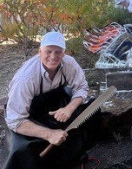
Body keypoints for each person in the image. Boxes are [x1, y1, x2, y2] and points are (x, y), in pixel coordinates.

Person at [4, 31, 100, 169]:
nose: (53, 57)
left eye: (58, 52)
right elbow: (15, 120)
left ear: (64, 53)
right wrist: (49, 134)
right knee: (22, 149)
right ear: (40, 51)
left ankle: (73, 159)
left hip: (56, 102)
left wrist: (69, 108)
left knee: (90, 112)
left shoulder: (69, 63)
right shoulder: (25, 79)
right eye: (48, 51)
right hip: (29, 112)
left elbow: (81, 88)